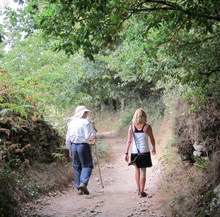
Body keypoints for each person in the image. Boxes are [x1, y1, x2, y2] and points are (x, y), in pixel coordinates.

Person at [125, 108, 156, 198]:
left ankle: (138, 189)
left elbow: (128, 141)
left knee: (136, 169)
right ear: (144, 116)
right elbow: (152, 139)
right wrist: (154, 148)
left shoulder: (131, 127)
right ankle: (142, 192)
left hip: (134, 152)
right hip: (144, 152)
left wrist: (126, 153)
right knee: (143, 171)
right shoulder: (147, 127)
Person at [66, 105, 96, 195]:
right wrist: (94, 133)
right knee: (87, 165)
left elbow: (68, 139)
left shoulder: (71, 123)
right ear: (82, 113)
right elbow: (88, 136)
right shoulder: (85, 123)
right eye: (85, 112)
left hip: (74, 146)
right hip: (83, 146)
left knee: (77, 167)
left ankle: (79, 188)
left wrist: (70, 149)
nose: (86, 113)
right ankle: (83, 183)